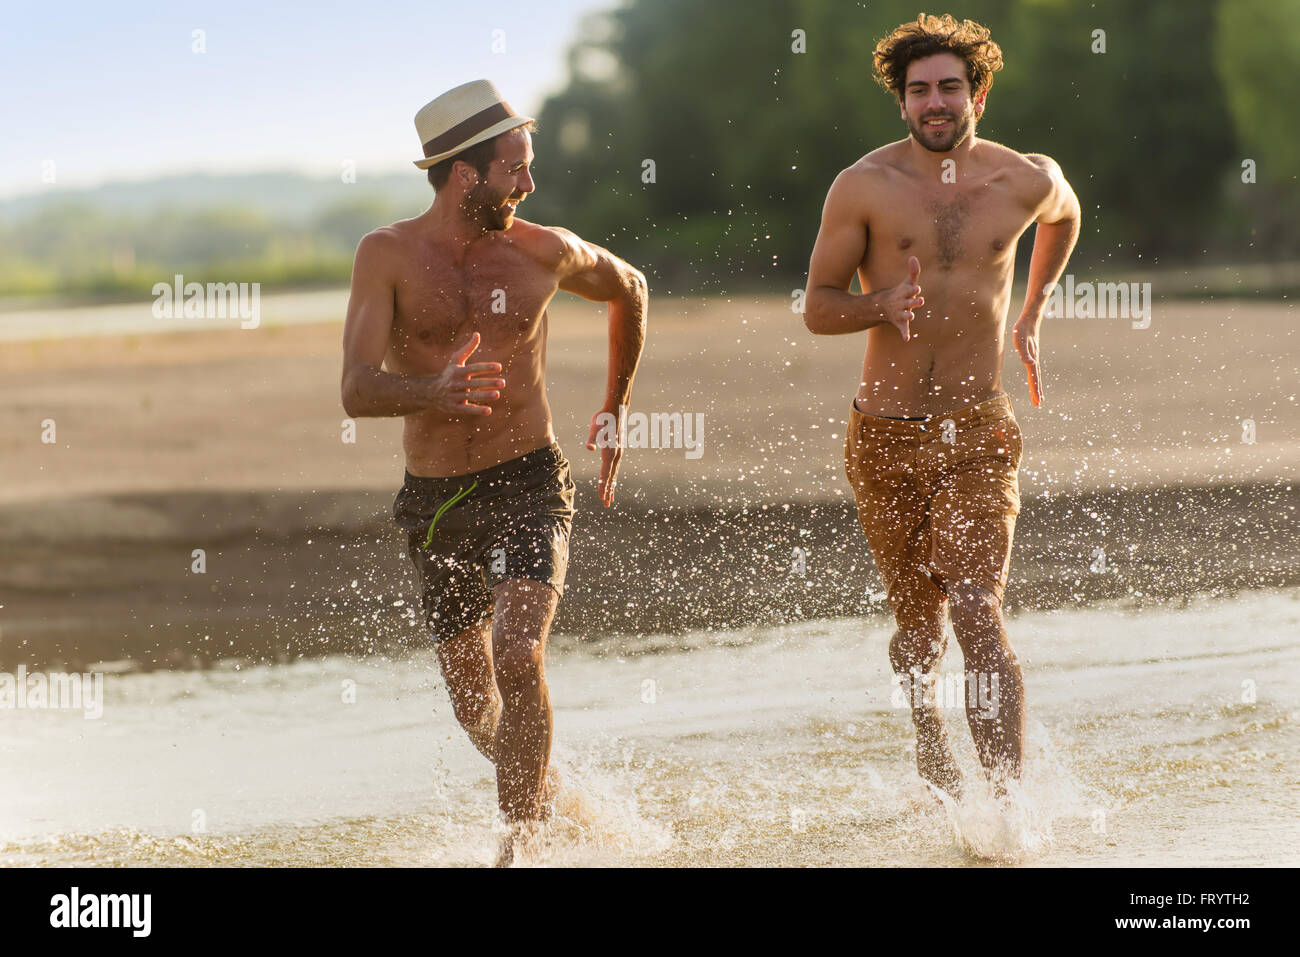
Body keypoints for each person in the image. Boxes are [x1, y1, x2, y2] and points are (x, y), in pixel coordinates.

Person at [340, 79, 647, 858]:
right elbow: (355, 388)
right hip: (436, 499)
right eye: (517, 168)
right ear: (465, 174)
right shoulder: (387, 255)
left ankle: (522, 846)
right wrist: (433, 390)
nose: (530, 183)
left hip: (528, 482)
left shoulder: (545, 249)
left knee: (518, 653)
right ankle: (558, 798)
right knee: (476, 710)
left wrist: (614, 408)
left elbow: (631, 289)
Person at [803, 15, 1080, 796]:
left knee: (975, 607)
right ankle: (930, 736)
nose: (935, 102)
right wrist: (880, 302)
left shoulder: (1024, 178)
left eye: (949, 87)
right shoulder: (862, 187)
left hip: (979, 428)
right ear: (901, 103)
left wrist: (1034, 308)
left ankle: (1006, 808)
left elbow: (1065, 214)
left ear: (978, 95)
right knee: (919, 631)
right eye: (919, 90)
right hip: (883, 438)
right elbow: (819, 308)